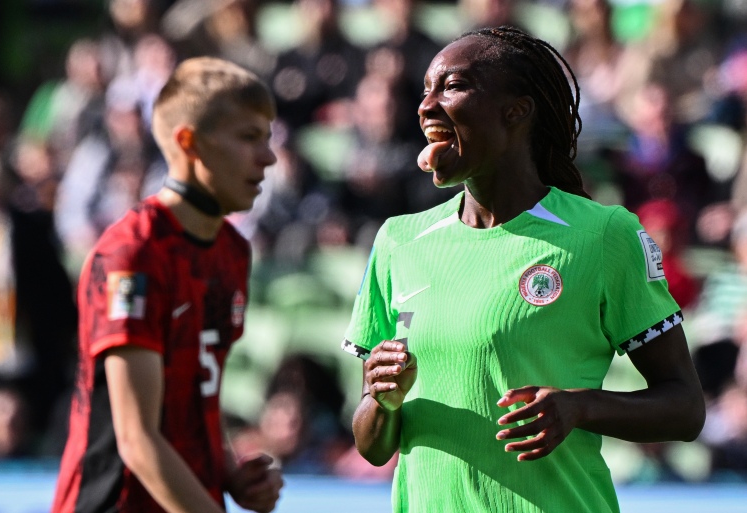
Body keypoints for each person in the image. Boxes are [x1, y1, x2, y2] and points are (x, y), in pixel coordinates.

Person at [342, 26, 705, 512]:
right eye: (426, 90)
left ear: (517, 111)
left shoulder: (602, 235)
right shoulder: (398, 242)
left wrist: (579, 408)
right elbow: (373, 445)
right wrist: (380, 401)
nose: (426, 106)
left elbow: (684, 409)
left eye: (451, 87)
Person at [52, 57, 282, 513]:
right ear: (189, 142)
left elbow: (197, 392)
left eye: (268, 138)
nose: (268, 157)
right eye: (249, 137)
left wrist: (229, 472)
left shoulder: (232, 250)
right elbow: (136, 439)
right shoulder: (132, 255)